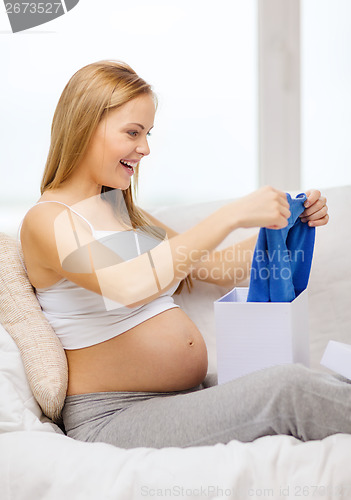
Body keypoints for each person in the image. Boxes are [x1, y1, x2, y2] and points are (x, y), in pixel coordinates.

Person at [21, 60, 350, 450]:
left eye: (147, 134)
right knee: (289, 391)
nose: (144, 148)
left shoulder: (124, 214)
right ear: (84, 127)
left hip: (177, 398)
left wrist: (287, 227)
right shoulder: (48, 220)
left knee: (319, 380)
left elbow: (219, 268)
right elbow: (128, 284)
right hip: (114, 417)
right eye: (133, 132)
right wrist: (231, 215)